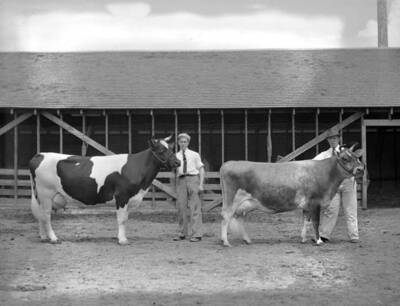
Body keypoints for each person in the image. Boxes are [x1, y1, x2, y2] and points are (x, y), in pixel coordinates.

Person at [313, 127, 360, 243]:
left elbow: (356, 163)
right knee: (331, 209)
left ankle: (354, 235)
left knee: (351, 209)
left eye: (335, 138)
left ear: (338, 139)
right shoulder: (324, 155)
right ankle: (324, 235)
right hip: (333, 186)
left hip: (348, 183)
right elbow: (312, 163)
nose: (332, 140)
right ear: (328, 140)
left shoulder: (347, 152)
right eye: (330, 139)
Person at [173, 133, 205, 242]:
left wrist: (200, 184)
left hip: (193, 179)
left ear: (188, 142)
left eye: (185, 142)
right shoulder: (176, 156)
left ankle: (197, 234)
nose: (183, 143)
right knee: (181, 207)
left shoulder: (195, 154)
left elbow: (201, 169)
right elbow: (174, 171)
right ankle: (182, 233)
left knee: (195, 207)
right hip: (181, 180)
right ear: (178, 143)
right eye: (181, 142)